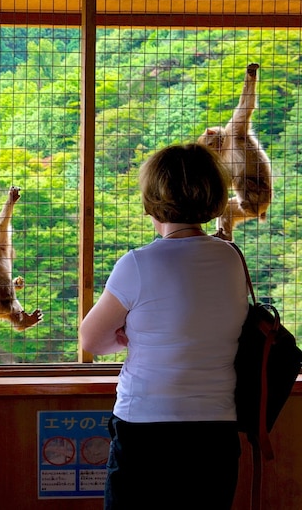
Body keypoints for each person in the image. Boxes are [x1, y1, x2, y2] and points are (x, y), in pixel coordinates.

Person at [79, 143, 247, 510]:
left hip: (146, 428)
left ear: (151, 199)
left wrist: (127, 335)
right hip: (215, 430)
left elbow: (91, 338)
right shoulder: (231, 258)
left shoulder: (138, 264)